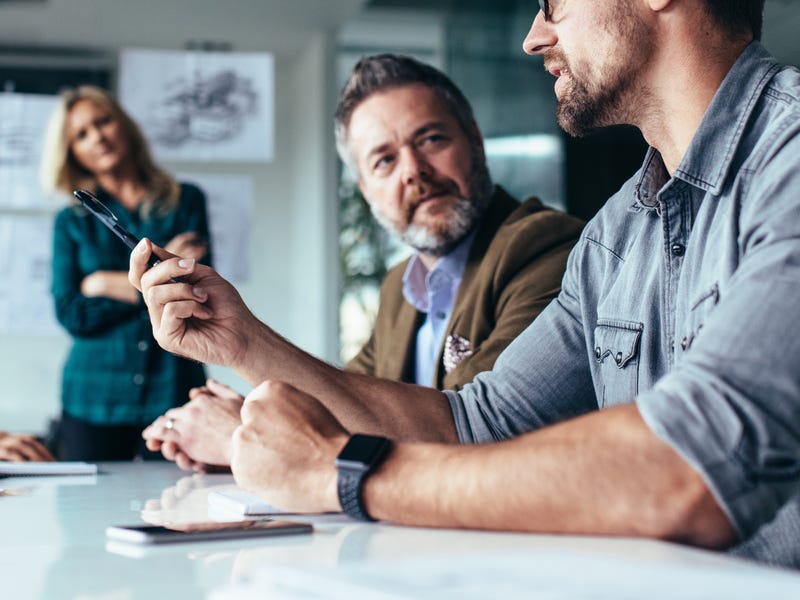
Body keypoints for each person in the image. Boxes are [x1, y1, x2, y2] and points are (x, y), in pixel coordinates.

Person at [130, 0, 800, 567]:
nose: (533, 35)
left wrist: (344, 472)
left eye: (553, 0)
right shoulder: (616, 234)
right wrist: (242, 341)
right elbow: (478, 424)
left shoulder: (788, 162)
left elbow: (697, 465)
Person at [140, 55, 584, 471]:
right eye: (384, 160)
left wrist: (243, 435)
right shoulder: (400, 287)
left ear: (474, 140)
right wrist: (256, 415)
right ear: (365, 189)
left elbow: (470, 436)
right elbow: (346, 404)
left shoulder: (545, 247)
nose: (413, 170)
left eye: (431, 139)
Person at [42, 85, 212, 461]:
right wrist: (155, 283)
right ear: (72, 153)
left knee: (179, 505)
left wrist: (102, 283)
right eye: (82, 134)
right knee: (87, 514)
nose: (98, 137)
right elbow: (72, 312)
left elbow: (195, 293)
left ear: (123, 126)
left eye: (103, 122)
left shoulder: (187, 201)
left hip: (172, 389)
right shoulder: (70, 223)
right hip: (94, 397)